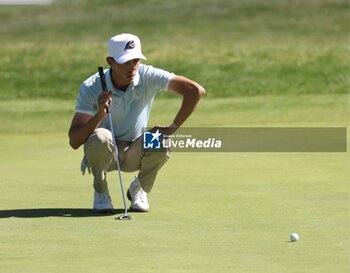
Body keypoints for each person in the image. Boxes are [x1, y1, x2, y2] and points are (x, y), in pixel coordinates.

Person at [68, 33, 205, 212]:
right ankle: (100, 190)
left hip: (135, 151)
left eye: (135, 60)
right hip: (105, 155)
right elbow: (74, 141)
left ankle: (138, 188)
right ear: (110, 61)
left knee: (162, 139)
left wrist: (172, 128)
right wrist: (100, 114)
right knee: (102, 136)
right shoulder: (91, 86)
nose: (132, 67)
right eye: (125, 61)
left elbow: (195, 90)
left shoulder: (147, 75)